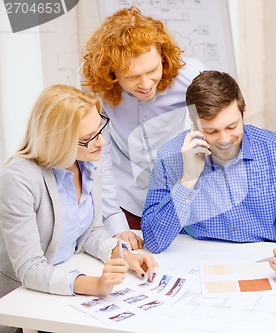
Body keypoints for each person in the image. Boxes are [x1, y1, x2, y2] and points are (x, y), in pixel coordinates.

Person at [142, 71, 276, 280]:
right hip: (197, 265)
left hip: (264, 265)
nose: (223, 139)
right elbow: (154, 241)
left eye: (232, 127)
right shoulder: (169, 156)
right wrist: (187, 180)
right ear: (192, 120)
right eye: (211, 131)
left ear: (243, 110)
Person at [0, 85, 158, 305]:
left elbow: (90, 231)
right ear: (57, 142)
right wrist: (96, 285)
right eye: (88, 138)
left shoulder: (89, 160)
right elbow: (29, 268)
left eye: (100, 130)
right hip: (25, 298)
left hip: (68, 278)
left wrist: (124, 256)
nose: (101, 142)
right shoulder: (19, 178)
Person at [79, 7, 205, 245]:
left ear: (163, 58)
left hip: (179, 191)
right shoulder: (94, 86)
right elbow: (97, 154)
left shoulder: (190, 74)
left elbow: (220, 127)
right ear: (111, 73)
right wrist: (114, 219)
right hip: (125, 196)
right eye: (132, 76)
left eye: (152, 70)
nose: (146, 84)